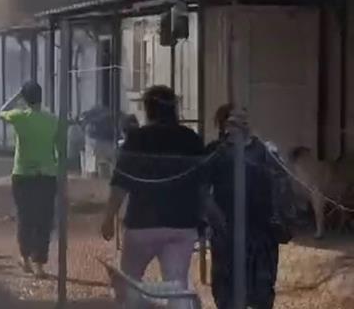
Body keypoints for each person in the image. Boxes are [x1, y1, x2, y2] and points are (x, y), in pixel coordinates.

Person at [101, 85, 213, 300]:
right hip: (182, 222)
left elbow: (121, 183)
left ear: (147, 108)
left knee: (131, 279)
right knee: (176, 284)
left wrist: (108, 217)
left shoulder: (137, 139)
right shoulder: (191, 139)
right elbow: (202, 186)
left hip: (142, 222)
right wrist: (209, 216)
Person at [207, 104, 292, 309]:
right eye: (236, 118)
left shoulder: (265, 150)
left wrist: (281, 217)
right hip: (228, 230)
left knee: (262, 290)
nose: (242, 122)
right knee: (227, 291)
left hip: (261, 230)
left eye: (245, 117)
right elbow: (202, 190)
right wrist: (215, 220)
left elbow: (282, 184)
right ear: (225, 123)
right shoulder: (215, 151)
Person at [0, 81, 58, 278]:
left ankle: (25, 259)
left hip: (23, 175)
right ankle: (40, 264)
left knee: (25, 217)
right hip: (47, 176)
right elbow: (58, 151)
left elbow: (2, 111)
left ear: (25, 99)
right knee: (44, 220)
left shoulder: (19, 117)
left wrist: (17, 97)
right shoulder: (52, 120)